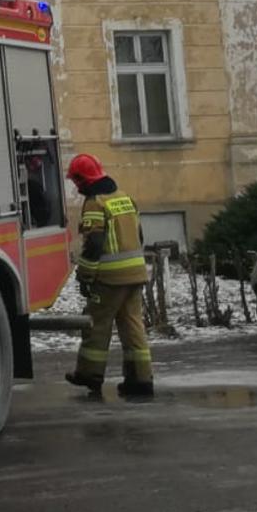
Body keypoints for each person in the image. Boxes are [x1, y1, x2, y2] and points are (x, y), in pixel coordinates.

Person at [63, 153, 154, 397]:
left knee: (97, 325)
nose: (75, 186)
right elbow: (140, 236)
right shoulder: (125, 198)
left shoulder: (96, 203)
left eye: (76, 181)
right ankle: (141, 380)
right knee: (132, 325)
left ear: (83, 180)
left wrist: (85, 276)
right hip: (135, 274)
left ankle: (89, 375)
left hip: (110, 279)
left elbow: (94, 244)